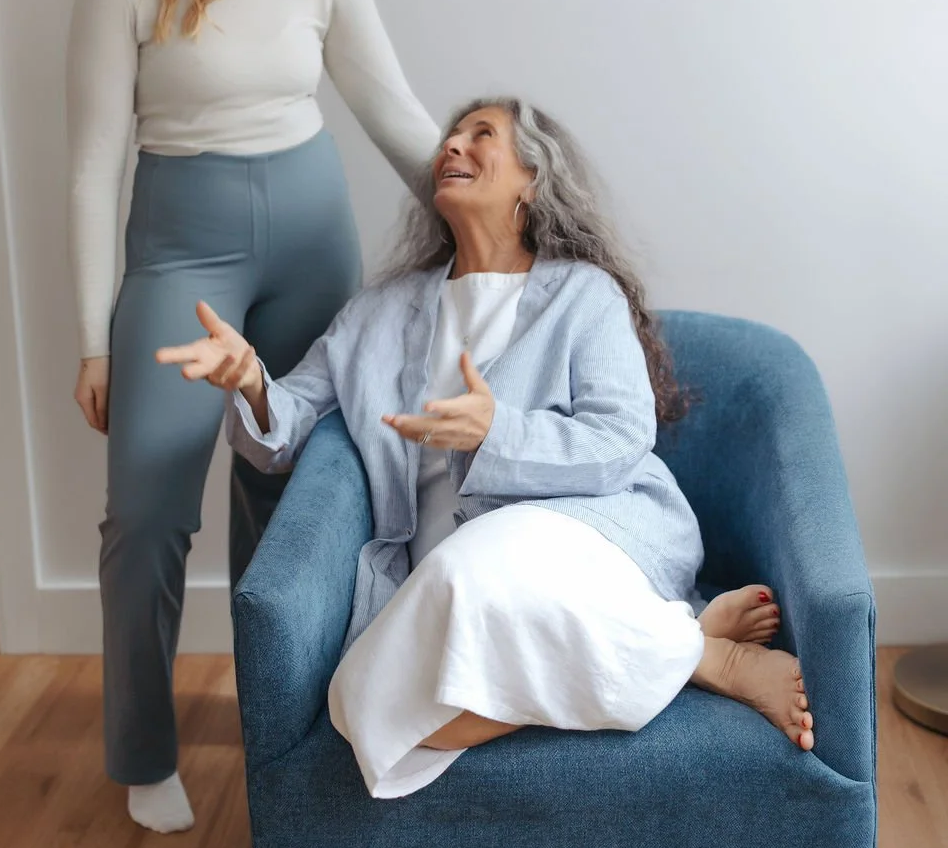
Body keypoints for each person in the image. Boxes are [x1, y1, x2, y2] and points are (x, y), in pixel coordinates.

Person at [158, 97, 810, 800]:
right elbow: (283, 432)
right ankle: (687, 646)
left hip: (586, 534)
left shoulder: (583, 295)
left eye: (482, 135)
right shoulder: (377, 313)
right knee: (361, 704)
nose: (453, 146)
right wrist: (250, 380)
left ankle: (722, 665)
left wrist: (495, 432)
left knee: (466, 572)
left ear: (533, 178)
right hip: (441, 579)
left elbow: (621, 438)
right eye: (451, 136)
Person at [67, 0, 439, 831]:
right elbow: (92, 167)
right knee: (147, 512)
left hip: (312, 245)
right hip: (180, 258)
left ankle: (282, 719)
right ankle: (144, 751)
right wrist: (93, 337)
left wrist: (496, 219)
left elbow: (391, 109)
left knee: (291, 494)